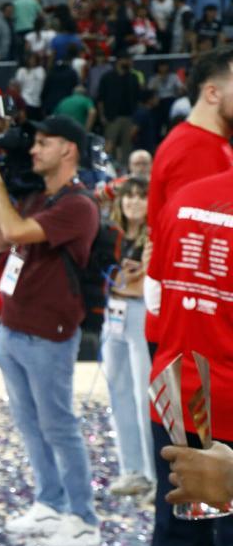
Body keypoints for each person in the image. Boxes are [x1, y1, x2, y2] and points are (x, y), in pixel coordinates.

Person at [0, 116, 102, 546]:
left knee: (59, 425)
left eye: (45, 143)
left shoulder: (78, 205)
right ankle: (50, 501)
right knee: (30, 425)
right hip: (12, 326)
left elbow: (14, 231)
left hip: (49, 332)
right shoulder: (37, 198)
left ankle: (82, 516)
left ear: (70, 149)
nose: (34, 149)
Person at [144, 47, 233, 546]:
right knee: (204, 526)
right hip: (205, 371)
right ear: (211, 90)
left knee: (189, 527)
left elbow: (163, 270)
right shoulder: (200, 154)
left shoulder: (195, 166)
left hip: (183, 372)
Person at [100, 176, 154, 499]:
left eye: (141, 196)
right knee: (118, 393)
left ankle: (153, 473)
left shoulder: (154, 236)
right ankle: (131, 469)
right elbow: (105, 278)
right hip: (114, 315)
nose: (133, 202)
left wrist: (122, 281)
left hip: (141, 313)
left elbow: (139, 284)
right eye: (129, 196)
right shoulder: (111, 236)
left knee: (142, 394)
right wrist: (123, 281)